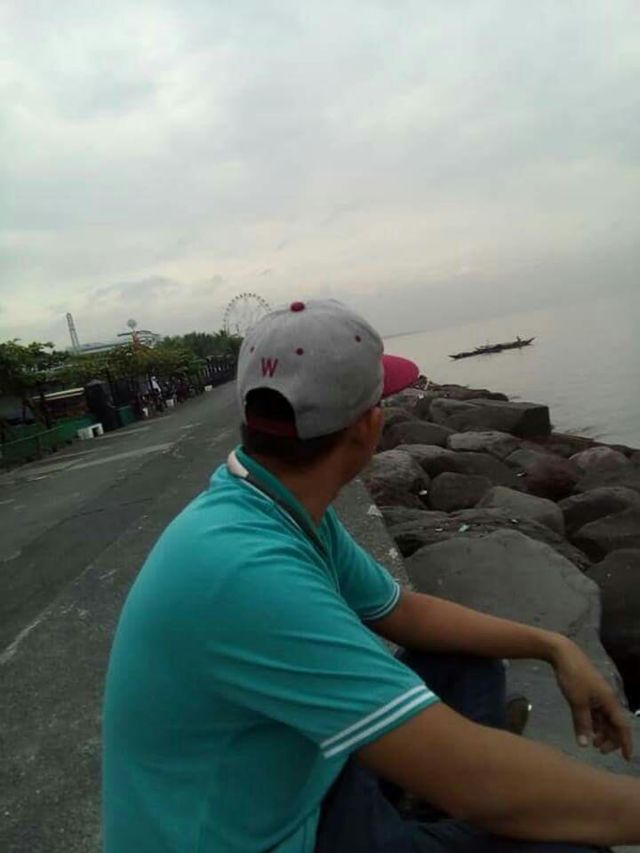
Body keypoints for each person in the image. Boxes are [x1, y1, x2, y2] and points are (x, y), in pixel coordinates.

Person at [102, 299, 638, 853]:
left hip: (291, 785)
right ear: (369, 426)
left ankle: (445, 811)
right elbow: (471, 781)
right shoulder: (247, 572)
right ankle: (461, 812)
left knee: (466, 658)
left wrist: (552, 646)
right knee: (571, 844)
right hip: (277, 836)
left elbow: (402, 611)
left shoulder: (266, 502)